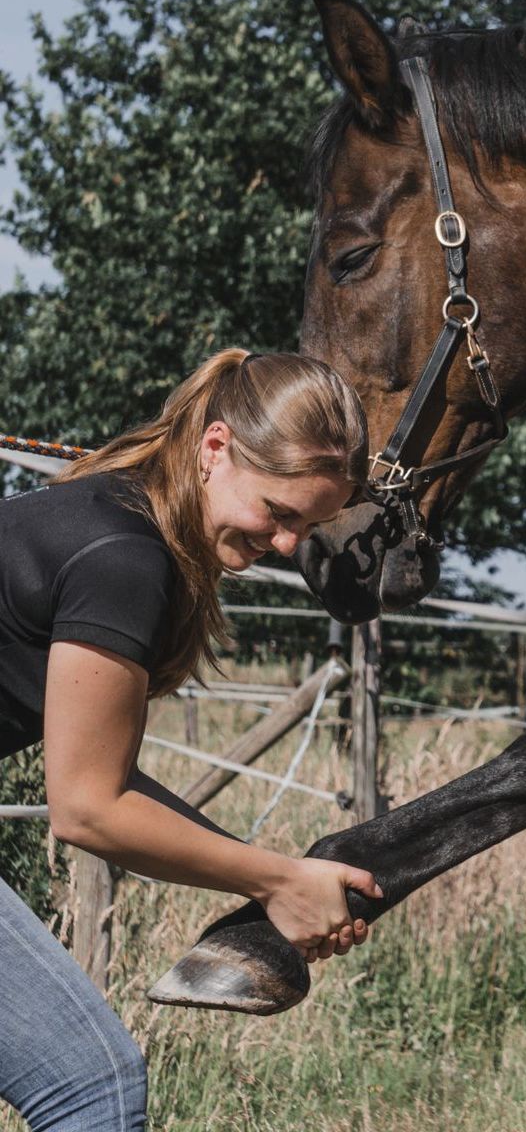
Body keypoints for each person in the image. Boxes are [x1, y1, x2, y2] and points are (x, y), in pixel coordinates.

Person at [0, 349, 384, 1130]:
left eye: (307, 528)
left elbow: (108, 780)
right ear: (214, 450)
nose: (286, 545)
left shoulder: (112, 515)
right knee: (92, 1087)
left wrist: (270, 879)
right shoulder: (123, 557)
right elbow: (88, 810)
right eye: (279, 512)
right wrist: (278, 883)